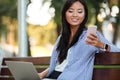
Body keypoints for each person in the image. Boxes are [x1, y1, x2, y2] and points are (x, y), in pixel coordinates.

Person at [39, 0, 120, 80]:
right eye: (70, 11)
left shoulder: (92, 36)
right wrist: (40, 75)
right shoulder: (61, 38)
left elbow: (117, 51)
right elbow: (55, 66)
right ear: (65, 14)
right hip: (53, 77)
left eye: (80, 12)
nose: (75, 15)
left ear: (85, 15)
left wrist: (101, 45)